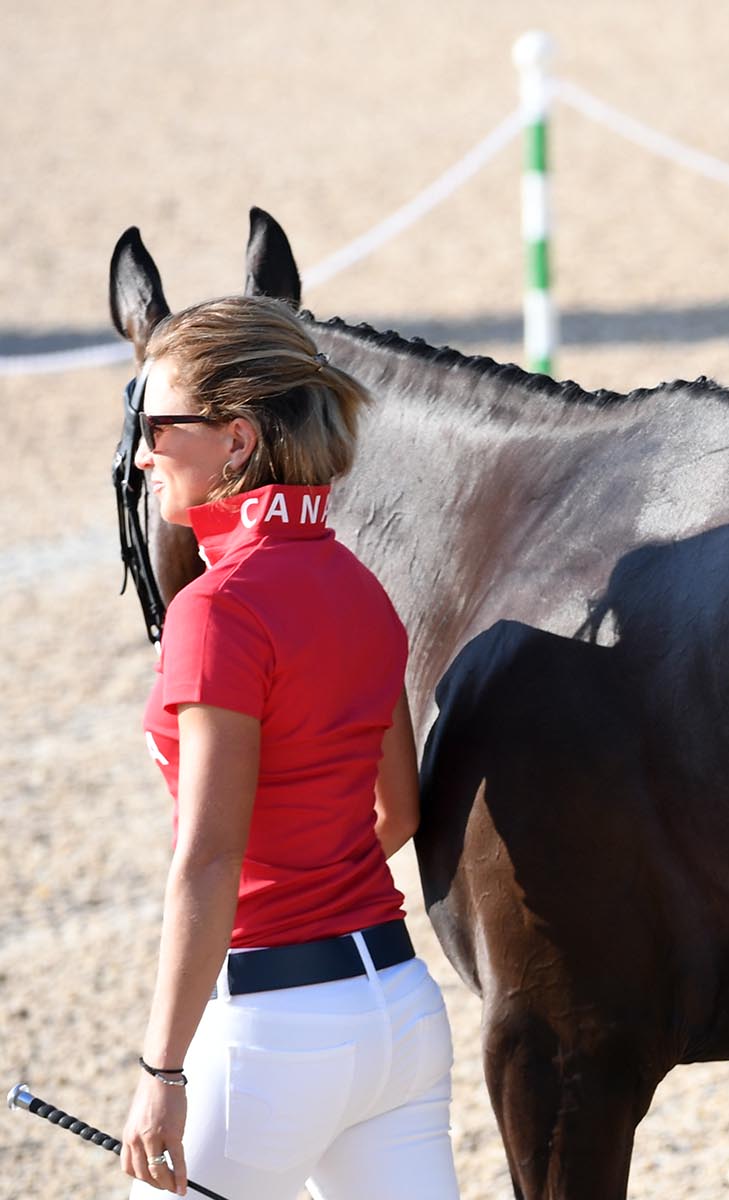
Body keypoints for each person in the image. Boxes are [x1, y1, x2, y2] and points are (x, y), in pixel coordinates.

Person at [119, 295, 459, 1199]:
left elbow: (209, 858)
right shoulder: (357, 581)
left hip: (275, 1034)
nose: (144, 450)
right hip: (398, 1007)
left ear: (235, 439)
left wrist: (161, 1073)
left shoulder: (215, 608)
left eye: (157, 424)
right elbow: (400, 809)